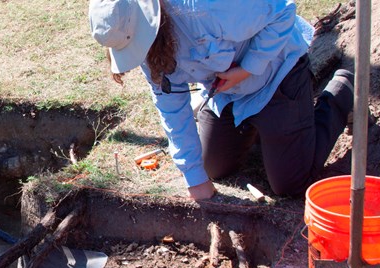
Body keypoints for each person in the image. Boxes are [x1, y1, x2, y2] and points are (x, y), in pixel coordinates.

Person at [88, 0, 355, 200]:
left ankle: (342, 90)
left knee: (291, 184)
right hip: (226, 92)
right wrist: (194, 179)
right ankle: (266, 130)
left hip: (275, 76)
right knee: (211, 168)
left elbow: (283, 11)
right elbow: (170, 105)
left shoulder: (207, 7)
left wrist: (248, 68)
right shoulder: (145, 42)